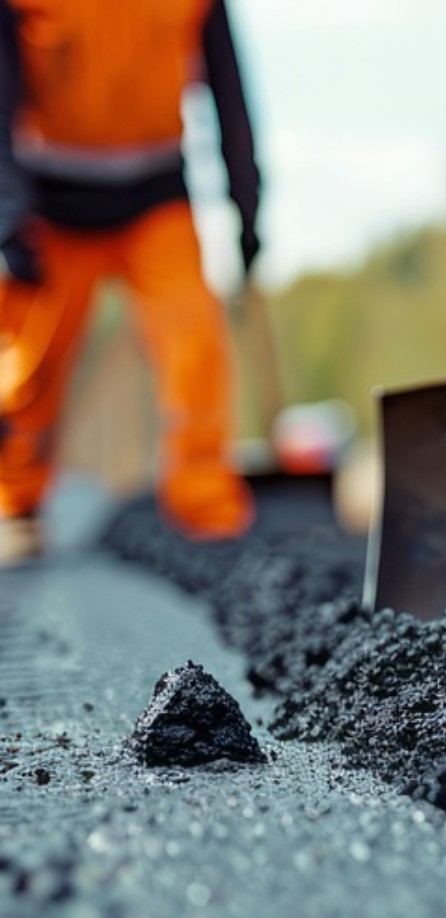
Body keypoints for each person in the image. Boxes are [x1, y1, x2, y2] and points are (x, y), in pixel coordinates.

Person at [0, 0, 261, 567]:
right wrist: (8, 212)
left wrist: (247, 200)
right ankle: (15, 502)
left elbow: (229, 86)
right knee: (29, 369)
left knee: (194, 344)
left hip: (157, 199)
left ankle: (207, 513)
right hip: (54, 203)